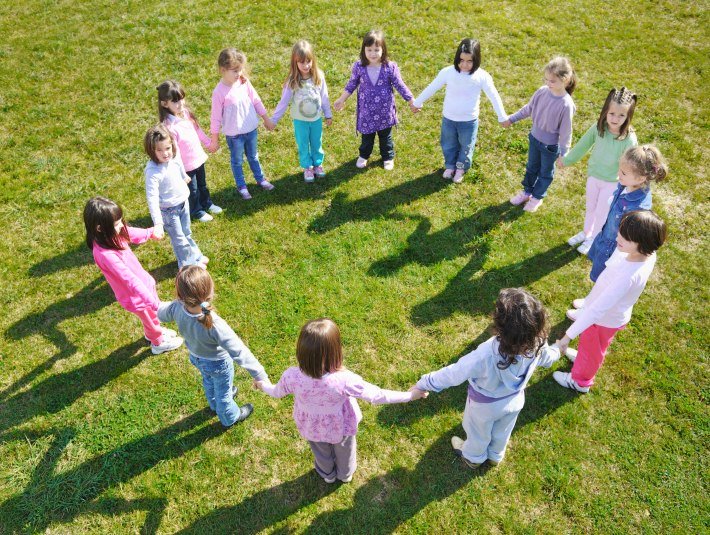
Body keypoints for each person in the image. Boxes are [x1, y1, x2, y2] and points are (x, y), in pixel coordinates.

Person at [254, 318, 427, 483]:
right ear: (335, 352)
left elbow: (276, 392)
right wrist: (411, 395)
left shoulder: (291, 376)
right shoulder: (344, 380)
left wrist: (262, 385)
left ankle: (327, 475)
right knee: (345, 451)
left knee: (321, 452)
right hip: (341, 426)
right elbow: (377, 395)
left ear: (301, 351)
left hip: (311, 426)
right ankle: (345, 475)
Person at [412, 288, 560, 468]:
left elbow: (454, 373)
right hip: (514, 401)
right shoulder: (537, 342)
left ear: (500, 326)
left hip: (483, 406)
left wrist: (425, 383)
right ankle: (495, 456)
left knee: (478, 434)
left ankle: (474, 458)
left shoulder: (486, 354)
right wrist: (557, 351)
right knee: (502, 431)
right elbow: (547, 358)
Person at [554, 210, 667, 393]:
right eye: (621, 231)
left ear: (644, 244)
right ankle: (583, 359)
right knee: (590, 347)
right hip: (608, 315)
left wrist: (567, 337)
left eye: (626, 237)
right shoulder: (646, 255)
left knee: (593, 351)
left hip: (602, 320)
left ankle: (580, 381)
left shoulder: (626, 277)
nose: (619, 237)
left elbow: (596, 311)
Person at [158, 266, 269, 426]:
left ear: (181, 295)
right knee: (224, 393)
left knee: (208, 381)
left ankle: (213, 404)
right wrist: (260, 374)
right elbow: (239, 351)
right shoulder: (215, 325)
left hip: (196, 358)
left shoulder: (177, 308)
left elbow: (161, 313)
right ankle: (230, 417)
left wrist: (150, 300)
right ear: (210, 293)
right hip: (218, 364)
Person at [83, 196, 183, 355]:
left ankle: (153, 332)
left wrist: (150, 232)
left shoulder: (110, 235)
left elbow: (129, 232)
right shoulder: (105, 254)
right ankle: (157, 342)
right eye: (116, 223)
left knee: (151, 317)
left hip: (144, 287)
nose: (121, 225)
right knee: (150, 318)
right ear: (100, 228)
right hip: (136, 296)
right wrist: (153, 303)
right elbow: (129, 280)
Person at [412, 38, 507, 183]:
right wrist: (417, 102)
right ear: (457, 57)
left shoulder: (482, 76)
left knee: (466, 146)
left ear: (477, 60)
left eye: (470, 61)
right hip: (449, 119)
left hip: (469, 121)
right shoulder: (448, 72)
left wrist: (502, 116)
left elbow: (493, 95)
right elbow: (433, 86)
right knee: (448, 144)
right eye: (461, 60)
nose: (464, 64)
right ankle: (450, 166)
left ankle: (461, 168)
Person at [560, 87, 638, 254]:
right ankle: (586, 232)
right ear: (605, 111)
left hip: (612, 182)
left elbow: (631, 162)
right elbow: (582, 146)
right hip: (594, 177)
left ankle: (594, 238)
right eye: (612, 114)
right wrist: (567, 161)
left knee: (602, 212)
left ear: (628, 116)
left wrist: (629, 183)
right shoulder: (598, 128)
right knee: (590, 207)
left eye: (621, 115)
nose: (615, 119)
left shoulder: (629, 138)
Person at [333, 30, 416, 170]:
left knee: (386, 137)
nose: (372, 53)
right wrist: (342, 99)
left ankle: (388, 157)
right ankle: (364, 155)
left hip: (385, 111)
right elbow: (351, 84)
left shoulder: (389, 67)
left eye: (376, 50)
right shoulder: (359, 67)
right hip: (367, 112)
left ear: (383, 50)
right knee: (366, 137)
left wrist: (411, 99)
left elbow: (399, 85)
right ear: (363, 49)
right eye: (369, 49)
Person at [585, 144, 667, 282]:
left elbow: (630, 238)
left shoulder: (638, 208)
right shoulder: (627, 183)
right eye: (620, 169)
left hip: (614, 249)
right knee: (599, 278)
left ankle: (594, 301)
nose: (618, 174)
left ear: (640, 178)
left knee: (602, 281)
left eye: (623, 173)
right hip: (605, 236)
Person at [504, 57, 577, 212]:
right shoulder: (542, 92)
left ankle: (537, 197)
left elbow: (566, 132)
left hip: (550, 147)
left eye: (552, 81)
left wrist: (564, 153)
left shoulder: (566, 104)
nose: (548, 84)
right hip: (534, 139)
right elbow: (528, 109)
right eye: (546, 80)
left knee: (545, 173)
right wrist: (512, 119)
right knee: (531, 167)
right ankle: (526, 192)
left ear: (565, 80)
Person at [210, 48, 276, 200]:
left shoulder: (244, 82)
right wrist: (214, 138)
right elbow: (215, 118)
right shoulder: (219, 92)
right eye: (234, 70)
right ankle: (242, 186)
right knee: (237, 160)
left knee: (253, 156)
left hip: (251, 130)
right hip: (234, 136)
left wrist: (266, 118)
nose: (238, 74)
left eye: (240, 69)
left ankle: (261, 179)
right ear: (222, 70)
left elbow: (256, 100)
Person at [157, 80, 222, 222]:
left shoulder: (186, 114)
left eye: (181, 99)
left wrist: (208, 143)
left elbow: (197, 130)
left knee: (202, 185)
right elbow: (175, 152)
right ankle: (197, 210)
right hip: (186, 166)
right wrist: (181, 171)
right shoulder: (168, 126)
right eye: (175, 101)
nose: (180, 104)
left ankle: (207, 203)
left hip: (198, 158)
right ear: (164, 104)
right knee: (192, 190)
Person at [144, 124, 207, 269]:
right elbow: (152, 198)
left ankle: (196, 256)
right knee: (179, 240)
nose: (165, 153)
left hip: (183, 203)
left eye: (167, 148)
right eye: (159, 150)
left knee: (187, 233)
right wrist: (158, 223)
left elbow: (178, 164)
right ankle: (188, 266)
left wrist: (183, 176)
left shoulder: (173, 157)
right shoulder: (152, 172)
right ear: (151, 150)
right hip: (169, 211)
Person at [270, 40, 333, 182]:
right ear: (295, 62)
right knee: (303, 144)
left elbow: (324, 97)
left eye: (308, 61)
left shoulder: (318, 76)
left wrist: (328, 114)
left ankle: (318, 164)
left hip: (316, 120)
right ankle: (307, 167)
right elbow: (283, 102)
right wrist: (274, 120)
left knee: (317, 142)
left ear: (313, 60)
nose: (306, 66)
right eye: (301, 62)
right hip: (300, 121)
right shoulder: (293, 81)